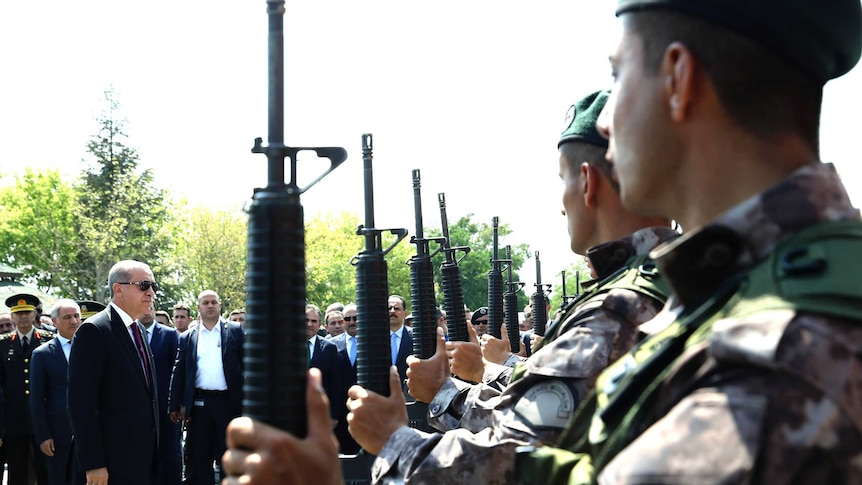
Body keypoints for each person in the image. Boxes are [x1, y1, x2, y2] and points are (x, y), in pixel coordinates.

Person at [221, 89, 677, 483]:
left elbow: (516, 456)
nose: (560, 206)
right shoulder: (665, 283)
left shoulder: (621, 304)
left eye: (562, 179)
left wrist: (395, 438)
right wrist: (456, 387)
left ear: (587, 181)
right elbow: (542, 412)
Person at [515, 0, 862, 483]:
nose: (604, 121)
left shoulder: (783, 346)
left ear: (678, 78)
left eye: (618, 76)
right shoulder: (758, 285)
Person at [68, 260, 160, 485]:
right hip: (109, 464)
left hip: (141, 459)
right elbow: (81, 404)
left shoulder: (138, 329)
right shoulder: (94, 331)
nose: (151, 293)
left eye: (154, 287)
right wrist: (94, 463)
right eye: (144, 285)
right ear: (118, 289)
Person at [169, 290, 244, 485]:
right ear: (198, 307)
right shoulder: (188, 337)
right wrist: (174, 404)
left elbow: (248, 366)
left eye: (213, 302)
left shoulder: (235, 330)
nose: (210, 306)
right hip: (199, 406)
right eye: (205, 303)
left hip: (229, 404)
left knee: (230, 456)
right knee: (200, 458)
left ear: (219, 305)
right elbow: (179, 371)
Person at [29, 299, 85, 485]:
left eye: (77, 316)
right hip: (58, 435)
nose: (74, 321)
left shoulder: (92, 350)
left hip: (88, 433)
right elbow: (36, 399)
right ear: (54, 322)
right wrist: (43, 436)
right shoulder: (42, 354)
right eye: (67, 317)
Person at [0, 294, 53, 485]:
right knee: (18, 473)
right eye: (18, 313)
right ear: (12, 317)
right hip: (15, 421)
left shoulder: (48, 340)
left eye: (26, 312)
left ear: (34, 315)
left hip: (44, 420)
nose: (23, 317)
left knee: (46, 471)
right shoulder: (3, 344)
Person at [139, 309, 183, 484]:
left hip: (166, 407)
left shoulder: (169, 334)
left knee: (169, 450)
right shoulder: (130, 334)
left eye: (150, 308)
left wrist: (176, 403)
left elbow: (177, 371)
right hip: (140, 407)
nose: (146, 312)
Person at [329, 303, 360, 454]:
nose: (352, 322)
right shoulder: (331, 345)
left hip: (364, 411)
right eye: (347, 319)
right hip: (340, 414)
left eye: (356, 318)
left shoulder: (374, 343)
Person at [388, 295, 413, 388]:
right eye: (389, 308)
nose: (392, 311)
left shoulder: (414, 337)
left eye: (396, 308)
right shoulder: (376, 338)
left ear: (405, 313)